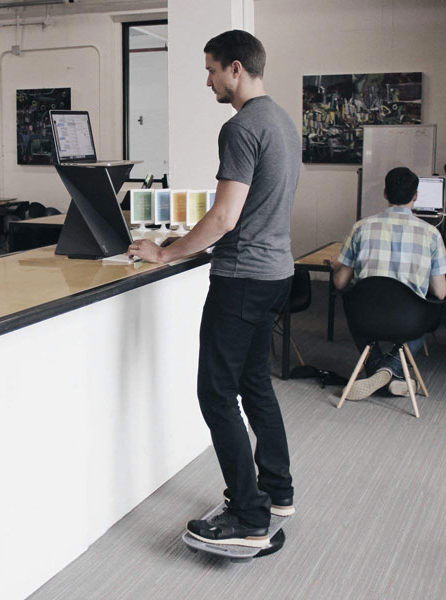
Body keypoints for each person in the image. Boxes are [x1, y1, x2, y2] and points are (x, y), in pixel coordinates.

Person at [127, 30, 300, 548]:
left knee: (217, 395)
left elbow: (225, 217)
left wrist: (165, 250)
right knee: (255, 385)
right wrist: (185, 238)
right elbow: (249, 209)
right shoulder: (283, 122)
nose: (208, 81)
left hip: (243, 277)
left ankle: (249, 519)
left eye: (211, 70)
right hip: (275, 272)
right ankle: (277, 490)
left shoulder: (241, 127)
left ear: (236, 70)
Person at [330, 167, 446, 400]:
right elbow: (440, 293)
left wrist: (336, 268)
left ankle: (376, 369)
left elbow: (341, 283)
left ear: (384, 193)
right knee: (426, 315)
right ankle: (392, 371)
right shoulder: (431, 234)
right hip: (409, 321)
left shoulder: (361, 227)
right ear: (415, 196)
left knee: (352, 306)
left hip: (366, 318)